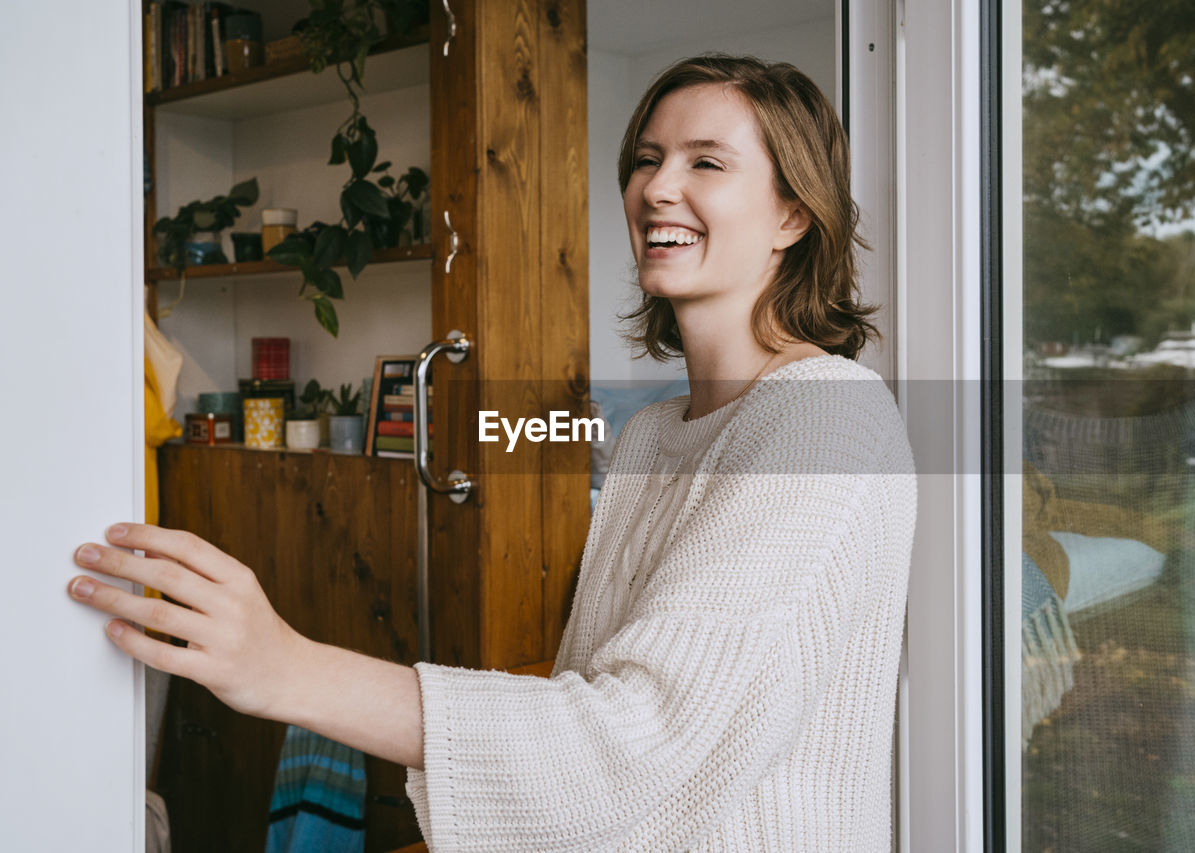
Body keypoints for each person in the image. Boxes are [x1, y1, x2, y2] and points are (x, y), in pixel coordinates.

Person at [68, 54, 915, 851]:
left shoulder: (825, 416)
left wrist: (285, 667)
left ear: (794, 214)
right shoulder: (657, 431)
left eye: (706, 163)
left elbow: (639, 745)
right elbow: (601, 700)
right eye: (647, 158)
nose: (656, 188)